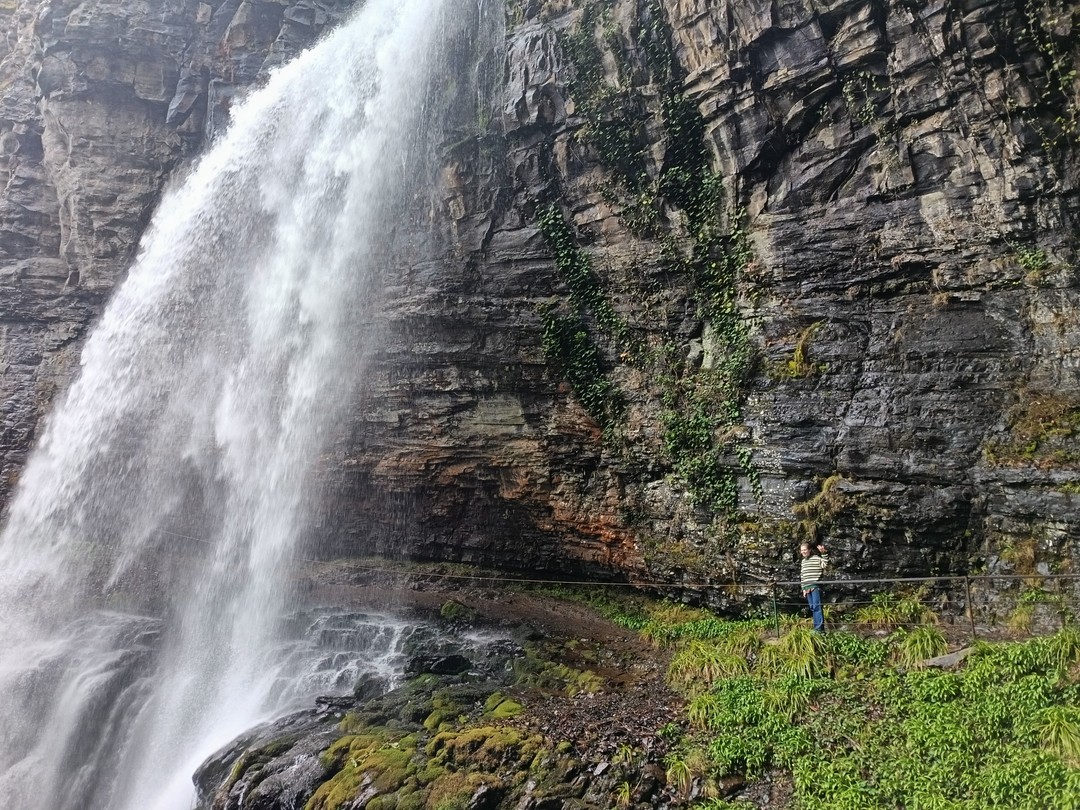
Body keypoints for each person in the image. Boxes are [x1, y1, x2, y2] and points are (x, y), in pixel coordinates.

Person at [800, 542, 829, 632]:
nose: (803, 552)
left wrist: (824, 553)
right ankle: (818, 628)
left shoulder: (816, 558)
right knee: (812, 607)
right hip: (807, 588)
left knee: (817, 607)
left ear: (809, 550)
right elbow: (803, 575)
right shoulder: (803, 561)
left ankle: (819, 629)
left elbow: (825, 564)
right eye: (802, 550)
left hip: (815, 586)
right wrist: (803, 588)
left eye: (805, 550)